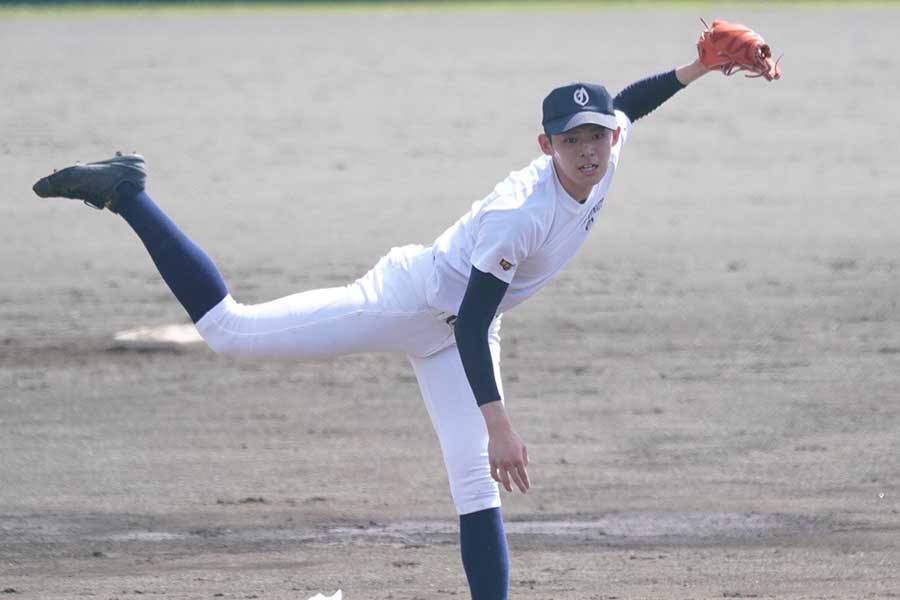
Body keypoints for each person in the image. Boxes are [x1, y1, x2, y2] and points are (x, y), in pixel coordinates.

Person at [33, 49, 720, 599]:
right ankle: (128, 194)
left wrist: (698, 66)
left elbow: (632, 104)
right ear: (546, 145)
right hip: (408, 304)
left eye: (597, 135)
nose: (592, 150)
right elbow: (474, 320)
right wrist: (500, 422)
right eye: (574, 141)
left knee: (475, 482)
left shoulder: (606, 148)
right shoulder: (522, 215)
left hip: (458, 331)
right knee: (229, 331)